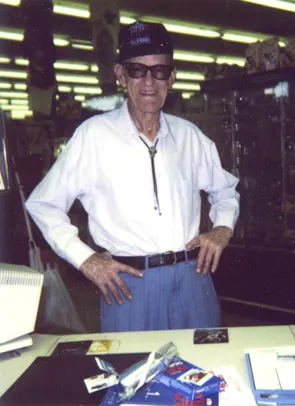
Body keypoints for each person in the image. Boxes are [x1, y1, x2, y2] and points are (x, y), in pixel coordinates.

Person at [25, 21, 240, 332]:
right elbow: (43, 204)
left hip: (194, 280)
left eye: (159, 70)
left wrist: (222, 229)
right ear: (120, 75)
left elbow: (225, 190)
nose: (149, 81)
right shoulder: (94, 136)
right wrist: (85, 259)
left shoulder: (190, 137)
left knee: (205, 368)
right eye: (137, 70)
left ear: (173, 77)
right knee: (133, 373)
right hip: (129, 286)